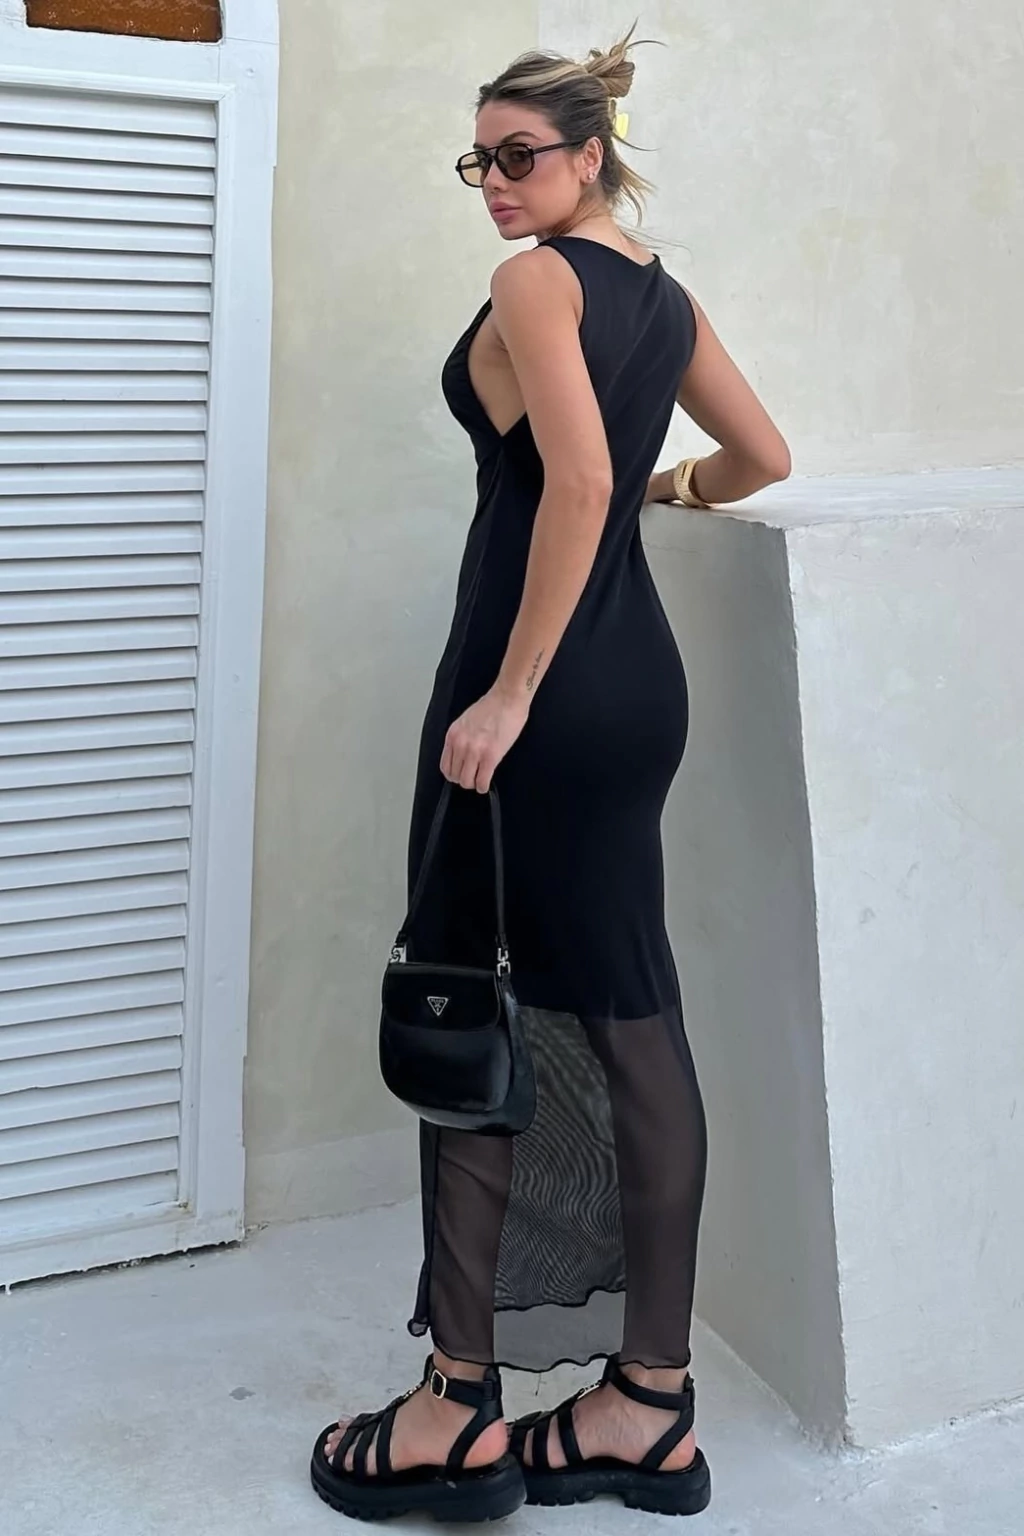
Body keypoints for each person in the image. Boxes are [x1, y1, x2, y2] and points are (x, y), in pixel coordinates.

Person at [311, 25, 791, 1525]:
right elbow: (762, 456)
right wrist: (673, 485)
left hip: (538, 695)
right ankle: (649, 1403)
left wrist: (509, 694)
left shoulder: (538, 280)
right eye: (479, 159)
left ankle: (456, 1411)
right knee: (633, 1018)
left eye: (522, 156)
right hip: (637, 686)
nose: (497, 185)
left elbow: (573, 481)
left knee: (470, 991)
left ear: (591, 156)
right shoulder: (663, 296)